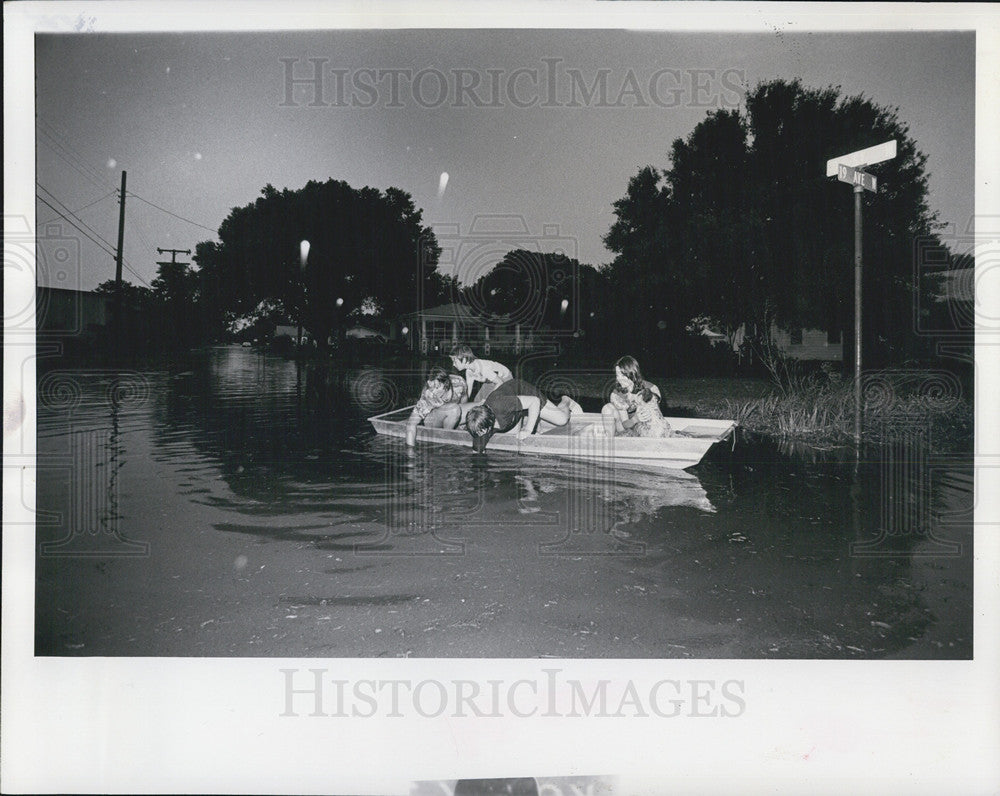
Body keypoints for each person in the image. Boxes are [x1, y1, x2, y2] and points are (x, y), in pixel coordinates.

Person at [465, 378, 581, 453]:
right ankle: (526, 415)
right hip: (512, 406)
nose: (480, 436)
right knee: (513, 447)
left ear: (489, 423)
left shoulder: (501, 405)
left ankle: (566, 400)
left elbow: (534, 401)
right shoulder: (479, 428)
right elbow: (477, 453)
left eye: (482, 432)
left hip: (523, 391)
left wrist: (528, 429)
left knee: (562, 420)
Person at [601, 355, 671, 438]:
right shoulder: (617, 394)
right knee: (607, 408)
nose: (619, 379)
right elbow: (625, 424)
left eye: (623, 375)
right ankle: (610, 441)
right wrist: (635, 419)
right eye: (617, 375)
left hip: (647, 427)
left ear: (633, 374)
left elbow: (658, 417)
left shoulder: (651, 389)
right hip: (628, 426)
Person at [404, 365, 467, 446]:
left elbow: (464, 398)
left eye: (437, 387)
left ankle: (455, 426)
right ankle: (445, 441)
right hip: (432, 420)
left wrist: (461, 422)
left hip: (452, 415)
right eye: (431, 387)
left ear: (446, 384)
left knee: (478, 407)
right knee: (454, 409)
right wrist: (410, 451)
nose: (433, 391)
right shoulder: (427, 396)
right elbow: (411, 424)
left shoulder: (459, 381)